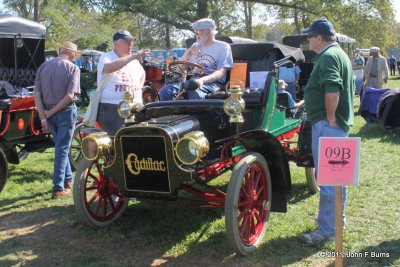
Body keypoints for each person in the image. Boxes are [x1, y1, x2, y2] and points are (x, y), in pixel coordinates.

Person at [302, 19, 354, 243]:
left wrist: (330, 117)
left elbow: (332, 89)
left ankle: (326, 230)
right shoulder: (338, 53)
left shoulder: (329, 56)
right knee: (337, 178)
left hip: (328, 124)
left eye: (309, 36)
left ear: (319, 37)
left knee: (330, 180)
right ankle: (335, 223)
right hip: (332, 124)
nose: (308, 40)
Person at [34, 41, 81, 199]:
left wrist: (43, 117)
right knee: (62, 149)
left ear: (59, 51)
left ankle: (68, 180)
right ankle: (58, 187)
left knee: (62, 148)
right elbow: (69, 96)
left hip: (48, 113)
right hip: (65, 113)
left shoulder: (43, 67)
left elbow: (37, 94)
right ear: (72, 55)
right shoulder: (73, 68)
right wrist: (50, 113)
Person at [159, 18, 234, 100]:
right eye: (195, 32)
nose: (196, 35)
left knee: (193, 93)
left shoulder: (223, 47)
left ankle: (193, 112)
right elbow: (179, 71)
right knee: (165, 90)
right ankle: (171, 112)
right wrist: (188, 53)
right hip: (191, 82)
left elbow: (221, 72)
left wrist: (201, 80)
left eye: (198, 32)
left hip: (213, 83)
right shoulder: (195, 46)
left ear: (208, 31)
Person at [97, 30, 148, 136]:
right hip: (113, 108)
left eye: (131, 41)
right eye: (126, 42)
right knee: (116, 141)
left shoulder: (134, 61)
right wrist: (133, 57)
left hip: (136, 106)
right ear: (116, 43)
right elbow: (108, 68)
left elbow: (142, 74)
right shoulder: (106, 57)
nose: (130, 44)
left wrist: (139, 87)